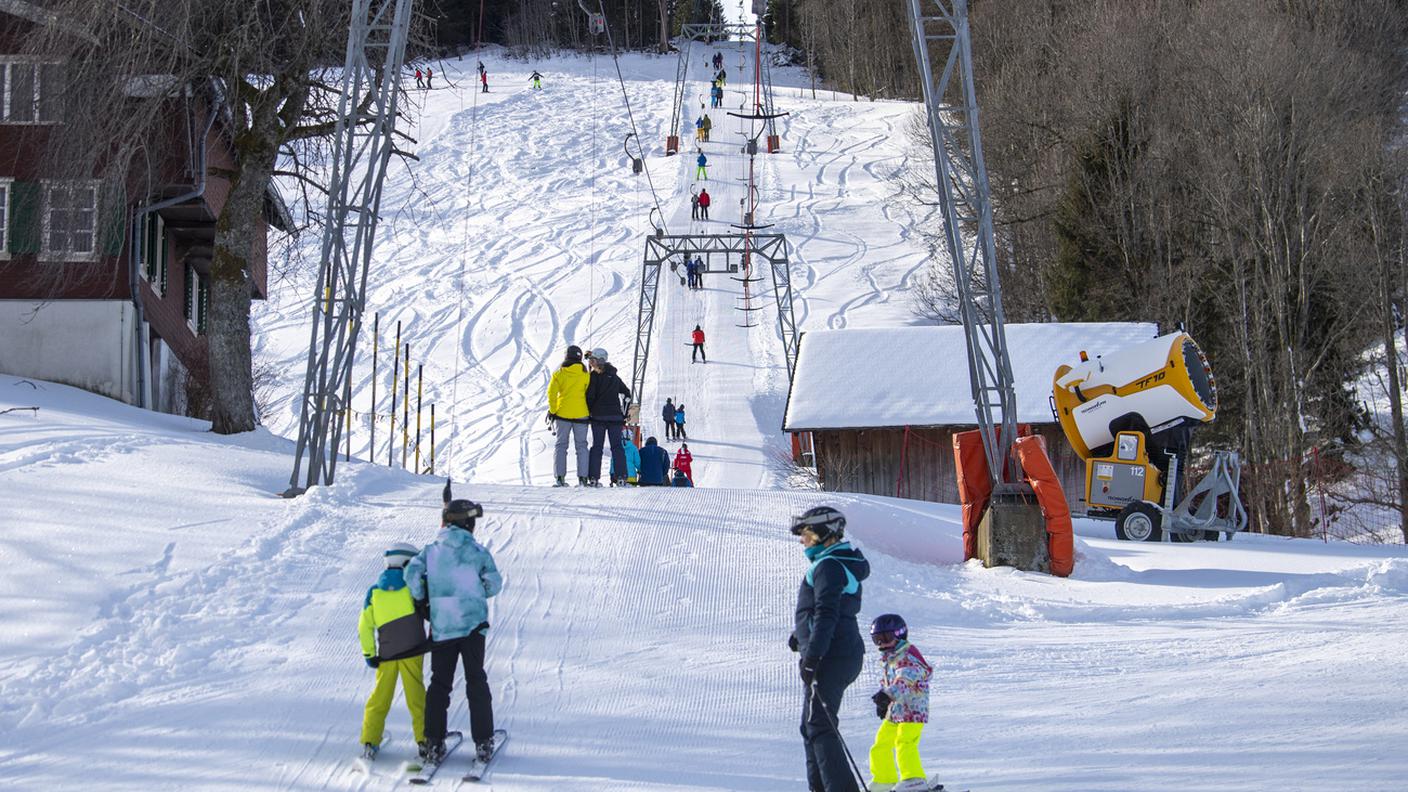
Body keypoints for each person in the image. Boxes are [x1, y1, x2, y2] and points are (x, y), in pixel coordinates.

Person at [406, 497, 503, 766]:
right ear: (468, 524)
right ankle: (483, 742)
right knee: (476, 682)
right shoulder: (477, 552)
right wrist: (475, 593)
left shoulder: (431, 551)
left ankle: (433, 742)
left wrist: (423, 596)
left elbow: (412, 574)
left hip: (443, 625)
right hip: (473, 626)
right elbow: (494, 584)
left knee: (439, 684)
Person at [788, 507, 870, 792]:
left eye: (807, 534)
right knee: (811, 727)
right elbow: (826, 611)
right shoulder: (833, 563)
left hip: (831, 656)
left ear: (825, 535)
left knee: (820, 727)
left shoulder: (829, 566)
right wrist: (801, 635)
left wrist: (813, 656)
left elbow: (826, 613)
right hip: (836, 651)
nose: (803, 541)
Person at [358, 542, 429, 761]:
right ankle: (424, 740)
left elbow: (365, 625)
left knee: (380, 697)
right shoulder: (414, 587)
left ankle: (370, 740)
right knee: (416, 697)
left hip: (387, 655)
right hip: (413, 652)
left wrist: (369, 654)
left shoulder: (374, 592)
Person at [867, 614, 932, 792]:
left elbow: (904, 679)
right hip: (896, 710)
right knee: (881, 743)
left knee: (905, 742)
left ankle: (913, 779)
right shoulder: (890, 657)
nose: (882, 644)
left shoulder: (908, 656)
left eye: (886, 638)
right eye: (877, 639)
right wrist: (884, 700)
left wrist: (888, 695)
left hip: (913, 710)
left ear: (900, 635)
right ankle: (884, 779)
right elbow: (889, 681)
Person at [584, 347, 632, 486]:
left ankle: (593, 478)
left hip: (598, 417)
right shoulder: (614, 376)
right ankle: (622, 477)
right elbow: (626, 393)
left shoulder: (593, 377)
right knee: (617, 447)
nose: (591, 361)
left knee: (597, 447)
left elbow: (590, 397)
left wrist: (590, 412)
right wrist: (624, 412)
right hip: (616, 417)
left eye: (593, 359)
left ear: (598, 359)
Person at [547, 345, 591, 487]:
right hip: (581, 414)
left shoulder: (559, 373)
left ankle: (560, 478)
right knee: (582, 446)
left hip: (562, 414)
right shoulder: (585, 374)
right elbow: (589, 393)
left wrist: (553, 410)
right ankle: (583, 478)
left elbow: (551, 393)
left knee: (561, 445)